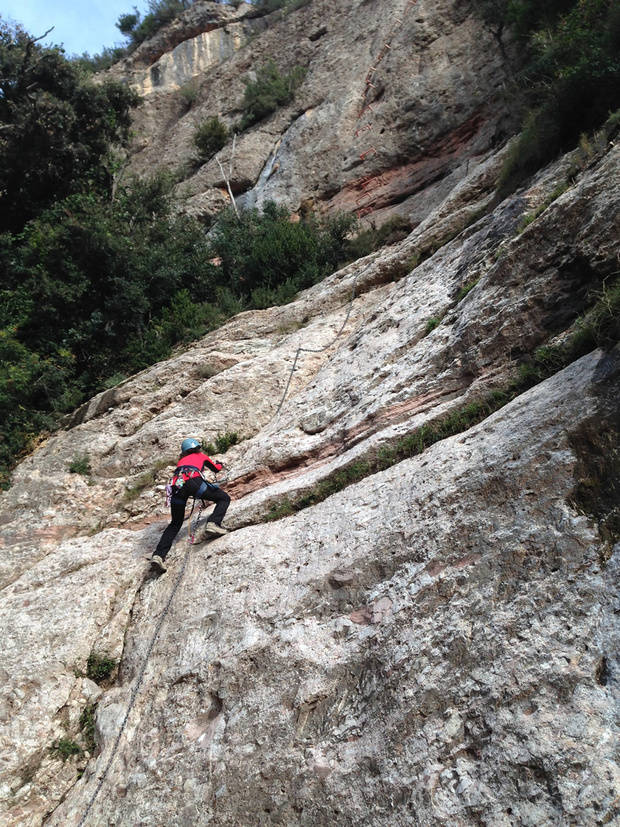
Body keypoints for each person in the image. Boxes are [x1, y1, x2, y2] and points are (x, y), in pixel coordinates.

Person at [150, 437, 231, 573]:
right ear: (197, 447)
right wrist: (220, 465)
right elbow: (216, 469)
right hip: (193, 482)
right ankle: (213, 524)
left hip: (177, 485)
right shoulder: (201, 455)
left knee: (175, 523)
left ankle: (158, 555)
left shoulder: (181, 461)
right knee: (224, 498)